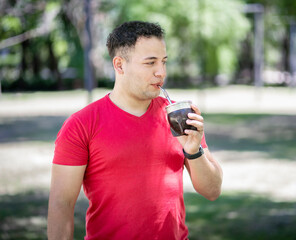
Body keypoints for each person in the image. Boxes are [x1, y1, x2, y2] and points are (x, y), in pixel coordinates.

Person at [47, 21, 223, 240]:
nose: (161, 72)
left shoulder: (179, 117)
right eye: (150, 63)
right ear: (119, 65)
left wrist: (193, 151)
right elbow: (61, 205)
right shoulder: (81, 125)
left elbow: (212, 190)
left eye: (163, 62)